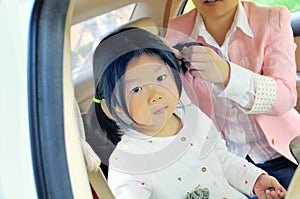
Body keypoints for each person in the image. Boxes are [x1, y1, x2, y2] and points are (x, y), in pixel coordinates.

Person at [90, 27, 286, 198]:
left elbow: (222, 159)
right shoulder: (128, 163)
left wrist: (254, 180)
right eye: (136, 90)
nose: (155, 95)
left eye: (160, 77)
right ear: (111, 107)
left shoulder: (193, 117)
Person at [165, 0, 300, 191]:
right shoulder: (174, 31)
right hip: (225, 164)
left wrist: (227, 75)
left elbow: (285, 97)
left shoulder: (273, 18)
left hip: (282, 154)